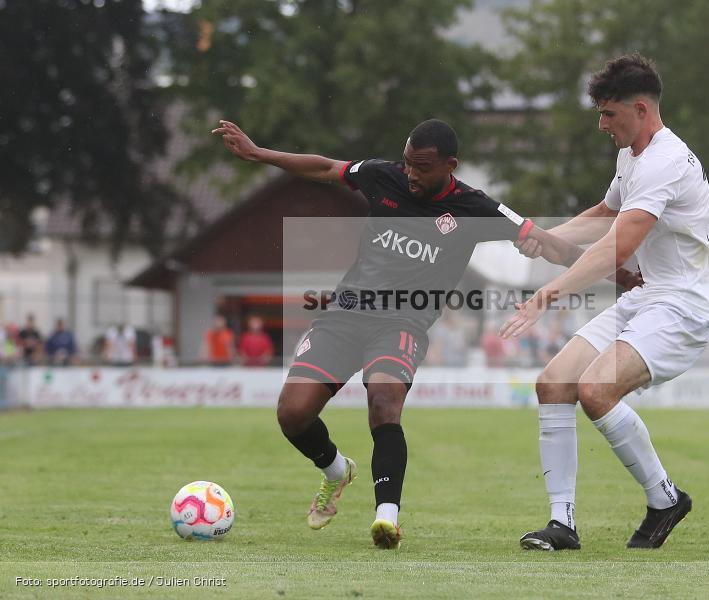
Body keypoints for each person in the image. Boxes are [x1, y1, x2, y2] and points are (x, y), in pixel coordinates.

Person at [213, 116, 641, 549]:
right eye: (407, 164)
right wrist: (258, 153)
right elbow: (326, 167)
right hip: (344, 315)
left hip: (403, 323)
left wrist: (614, 274)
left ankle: (386, 518)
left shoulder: (476, 208)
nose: (411, 175)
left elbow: (547, 242)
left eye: (420, 167)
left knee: (383, 400)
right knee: (292, 414)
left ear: (449, 165)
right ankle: (337, 471)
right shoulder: (384, 177)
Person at [502, 54, 709, 551]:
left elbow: (618, 247)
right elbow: (606, 213)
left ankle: (665, 499)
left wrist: (549, 292)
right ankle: (562, 525)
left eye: (609, 114)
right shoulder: (632, 155)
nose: (601, 123)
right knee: (555, 383)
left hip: (686, 304)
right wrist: (547, 236)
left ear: (641, 109)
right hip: (653, 294)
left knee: (596, 390)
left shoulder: (666, 161)